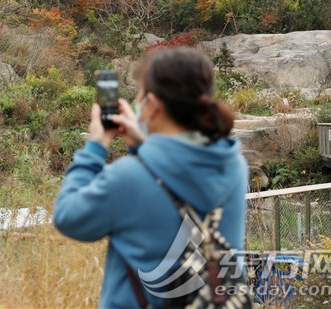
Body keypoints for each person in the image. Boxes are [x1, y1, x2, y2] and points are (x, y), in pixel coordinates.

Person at [53, 47, 248, 308]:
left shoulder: (128, 177)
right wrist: (143, 143)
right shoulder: (232, 163)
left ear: (153, 105)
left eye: (140, 95)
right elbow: (177, 173)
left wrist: (94, 148)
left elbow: (68, 217)